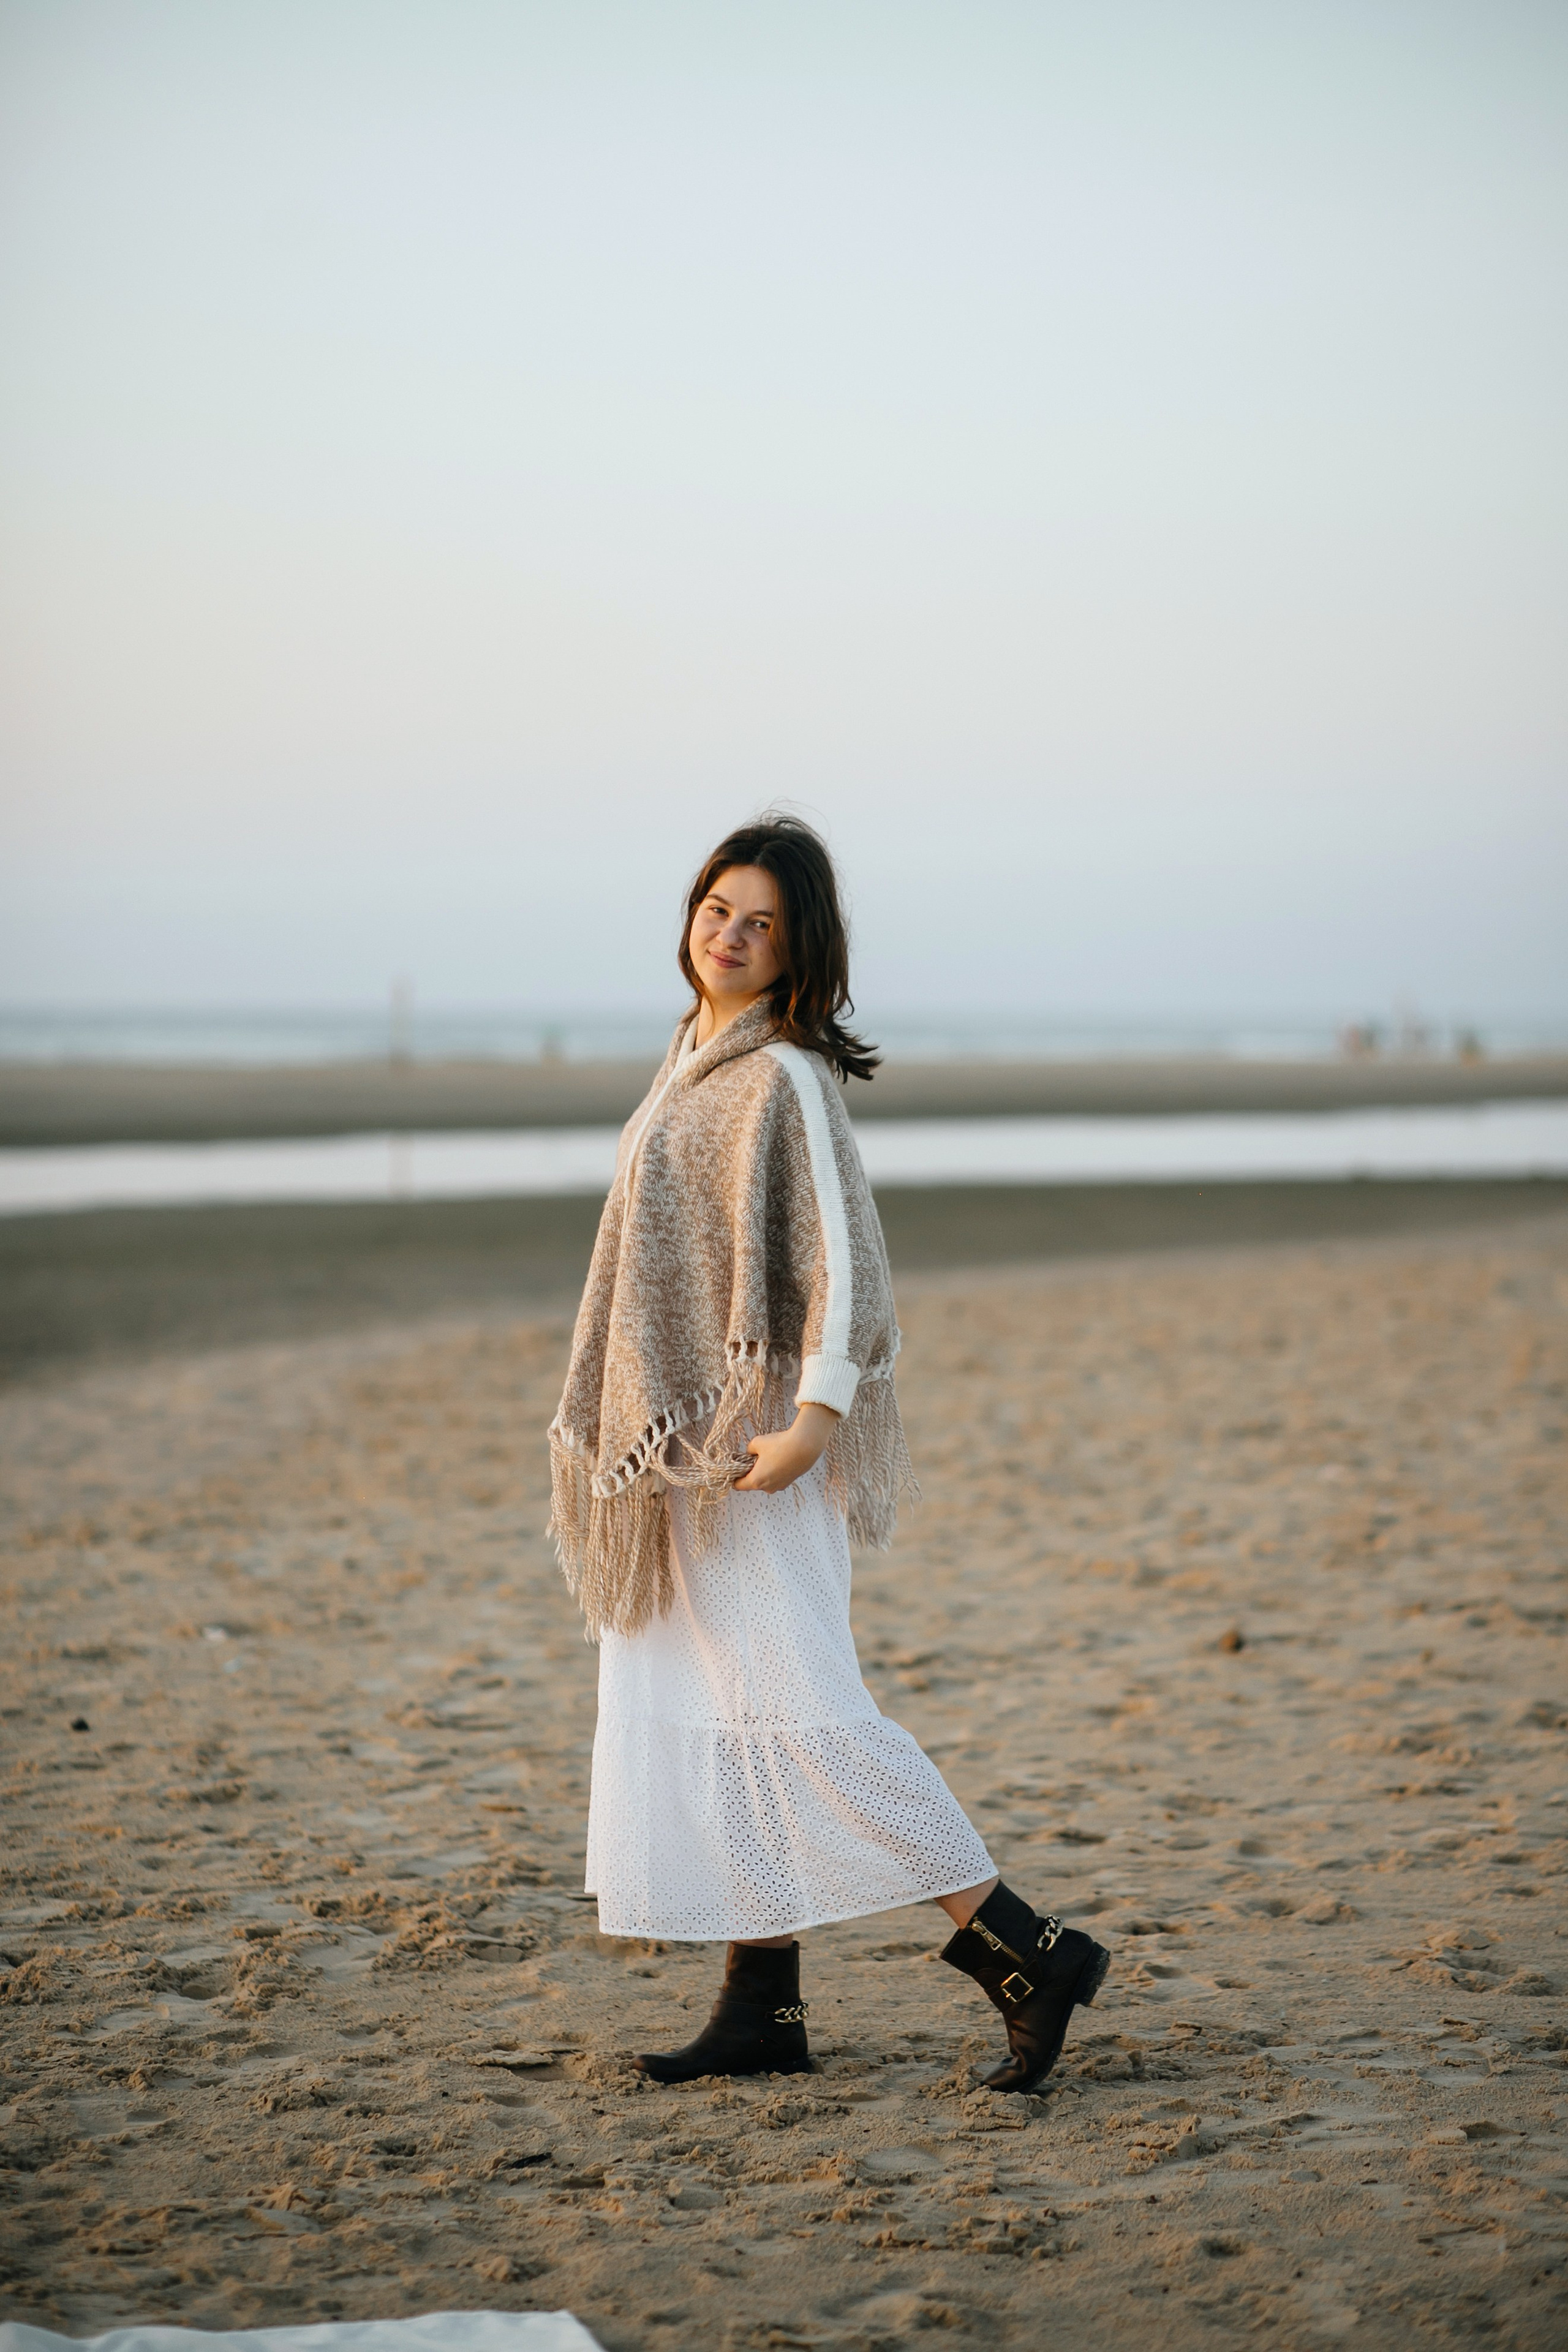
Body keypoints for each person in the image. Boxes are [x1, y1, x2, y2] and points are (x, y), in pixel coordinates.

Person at [549, 815, 1109, 2090]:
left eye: (761, 923)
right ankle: (764, 2006)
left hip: (755, 1450)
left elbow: (849, 1270)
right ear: (690, 914)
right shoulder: (687, 1058)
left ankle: (1022, 1947)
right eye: (716, 909)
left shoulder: (783, 1072)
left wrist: (814, 1419)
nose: (730, 935)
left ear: (797, 951)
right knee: (717, 1711)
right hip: (685, 1459)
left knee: (801, 1715)